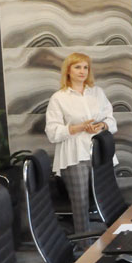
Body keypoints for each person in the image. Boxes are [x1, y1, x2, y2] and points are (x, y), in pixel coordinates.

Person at [45, 52, 117, 233]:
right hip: (74, 156)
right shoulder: (59, 97)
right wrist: (78, 128)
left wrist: (101, 125)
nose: (82, 71)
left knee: (108, 198)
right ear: (68, 70)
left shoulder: (97, 93)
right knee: (80, 203)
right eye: (77, 67)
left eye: (85, 67)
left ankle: (114, 238)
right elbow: (52, 132)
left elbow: (111, 120)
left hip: (100, 153)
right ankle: (85, 243)